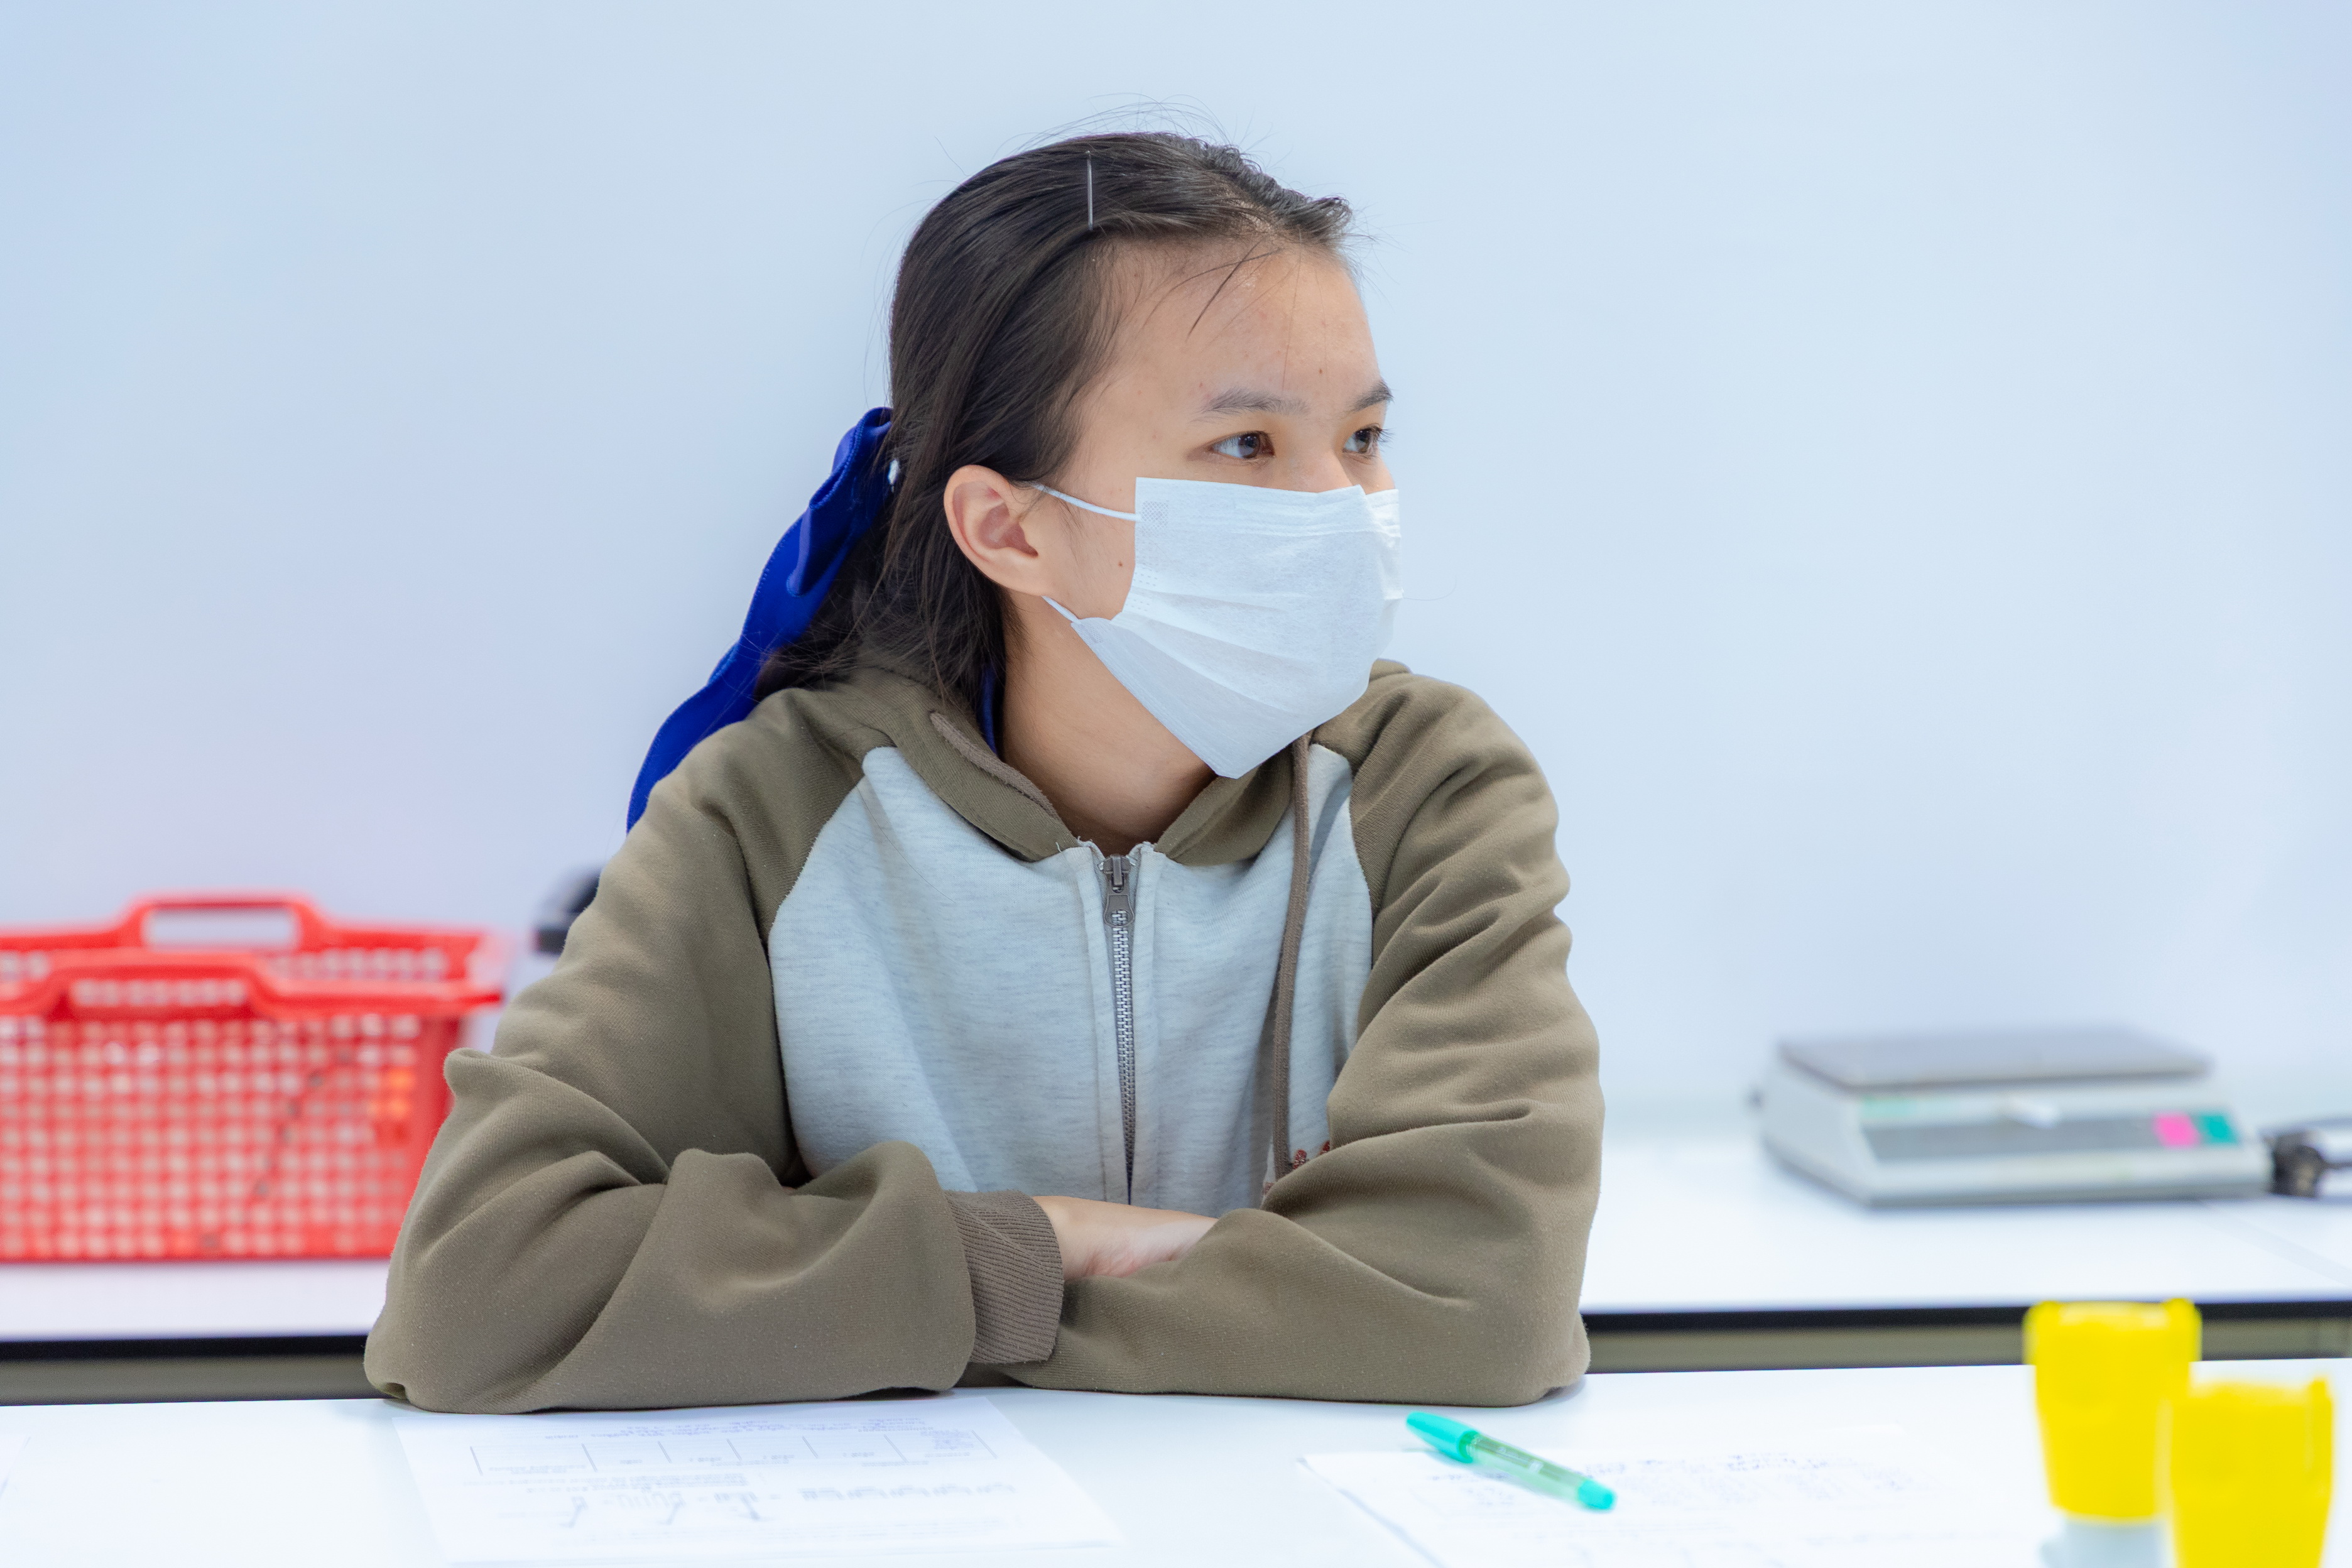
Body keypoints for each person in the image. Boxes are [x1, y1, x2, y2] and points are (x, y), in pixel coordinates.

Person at [365, 131, 1602, 1413]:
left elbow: (1482, 1311)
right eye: (1247, 444)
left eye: (1363, 434)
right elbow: (478, 1294)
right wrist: (1039, 1248)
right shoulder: (772, 816)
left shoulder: (1427, 792)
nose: (1339, 504)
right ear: (1008, 528)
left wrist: (865, 1307)